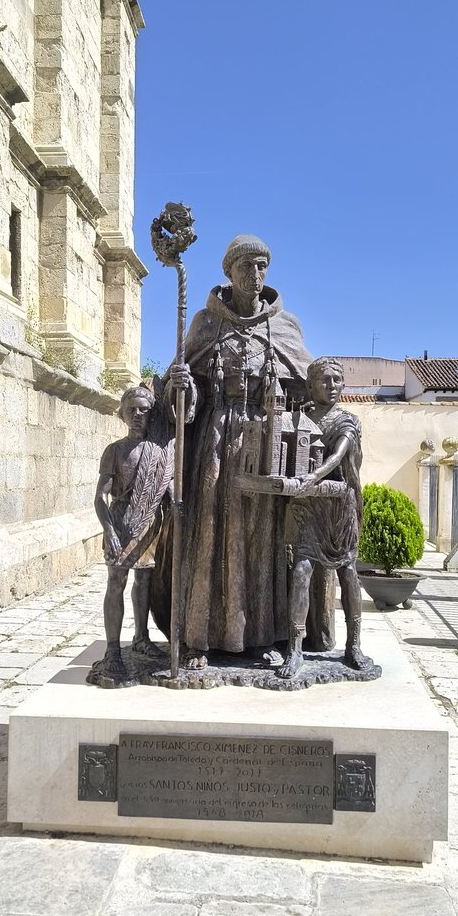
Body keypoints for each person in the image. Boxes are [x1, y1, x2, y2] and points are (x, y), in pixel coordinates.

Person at [154, 234, 316, 669]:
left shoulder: (284, 327)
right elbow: (179, 392)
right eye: (246, 266)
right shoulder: (206, 324)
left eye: (262, 266)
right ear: (229, 271)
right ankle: (200, 638)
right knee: (210, 531)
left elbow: (309, 386)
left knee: (261, 537)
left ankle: (260, 634)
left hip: (262, 443)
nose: (256, 274)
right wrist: (180, 387)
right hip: (215, 442)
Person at [278, 357, 374, 679]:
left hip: (339, 506)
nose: (331, 386)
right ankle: (295, 649)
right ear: (310, 385)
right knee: (302, 571)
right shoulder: (298, 418)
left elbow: (339, 455)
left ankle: (354, 645)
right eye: (324, 380)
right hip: (309, 506)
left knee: (348, 574)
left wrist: (312, 477)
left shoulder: (349, 421)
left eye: (336, 380)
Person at [90, 385, 172, 683]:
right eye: (132, 410)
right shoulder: (115, 451)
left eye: (144, 410)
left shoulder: (159, 452)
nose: (138, 415)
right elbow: (100, 497)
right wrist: (108, 529)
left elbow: (167, 489)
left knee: (145, 580)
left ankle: (141, 637)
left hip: (149, 523)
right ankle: (113, 649)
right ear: (122, 413)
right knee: (116, 582)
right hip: (120, 523)